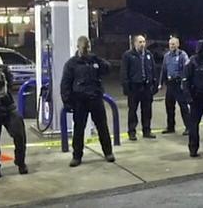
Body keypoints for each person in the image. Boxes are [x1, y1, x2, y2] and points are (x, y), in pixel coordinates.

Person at [60, 36, 114, 167]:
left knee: (102, 127)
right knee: (79, 130)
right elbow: (65, 84)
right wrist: (67, 102)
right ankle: (77, 156)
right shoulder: (71, 64)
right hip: (80, 101)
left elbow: (108, 69)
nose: (86, 51)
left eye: (88, 48)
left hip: (95, 99)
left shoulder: (94, 61)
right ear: (78, 47)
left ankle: (108, 152)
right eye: (84, 48)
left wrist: (97, 60)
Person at [121, 35, 158, 141]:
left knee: (147, 110)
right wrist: (126, 87)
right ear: (135, 43)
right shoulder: (128, 55)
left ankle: (147, 130)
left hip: (146, 87)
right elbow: (124, 72)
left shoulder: (148, 54)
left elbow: (153, 69)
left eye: (143, 42)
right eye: (140, 42)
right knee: (132, 110)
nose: (142, 44)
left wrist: (154, 84)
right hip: (134, 87)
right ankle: (132, 132)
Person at [158, 37, 190, 135]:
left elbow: (187, 69)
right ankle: (170, 127)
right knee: (169, 106)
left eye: (174, 44)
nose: (172, 46)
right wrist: (160, 83)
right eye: (170, 44)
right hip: (170, 84)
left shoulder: (182, 55)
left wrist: (185, 83)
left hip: (179, 84)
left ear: (178, 44)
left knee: (183, 107)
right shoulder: (166, 56)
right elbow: (163, 70)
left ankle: (189, 127)